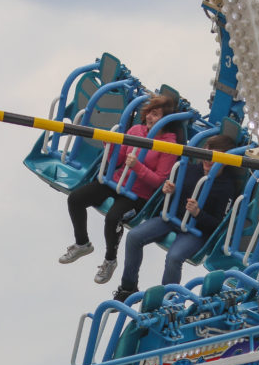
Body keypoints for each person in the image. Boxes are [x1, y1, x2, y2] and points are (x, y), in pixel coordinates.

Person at [59, 94, 178, 284]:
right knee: (75, 199)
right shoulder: (136, 130)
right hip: (117, 181)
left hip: (138, 195)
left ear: (165, 120)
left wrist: (138, 167)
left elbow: (158, 181)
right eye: (148, 113)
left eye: (155, 115)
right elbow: (120, 159)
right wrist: (111, 147)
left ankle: (110, 260)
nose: (149, 117)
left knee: (113, 217)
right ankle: (82, 243)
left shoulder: (169, 145)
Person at [113, 134, 236, 300]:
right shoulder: (189, 170)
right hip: (171, 219)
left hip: (196, 231)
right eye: (207, 155)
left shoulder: (226, 187)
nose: (208, 161)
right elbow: (169, 199)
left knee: (174, 257)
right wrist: (168, 192)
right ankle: (128, 286)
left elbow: (218, 225)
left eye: (214, 158)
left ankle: (167, 301)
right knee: (134, 237)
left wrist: (198, 213)